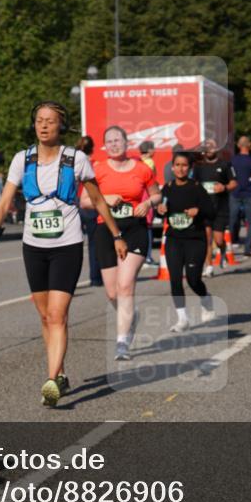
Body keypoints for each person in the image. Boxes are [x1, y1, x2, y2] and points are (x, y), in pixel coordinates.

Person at [0, 102, 124, 406]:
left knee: (58, 315)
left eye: (50, 121)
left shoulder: (77, 159)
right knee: (46, 316)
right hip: (33, 246)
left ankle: (51, 381)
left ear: (62, 125)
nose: (44, 125)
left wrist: (116, 235)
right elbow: (6, 198)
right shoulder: (22, 160)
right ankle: (59, 372)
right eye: (39, 121)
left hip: (67, 246)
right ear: (33, 125)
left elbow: (98, 201)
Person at [81, 126, 160, 360]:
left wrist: (148, 204)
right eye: (110, 141)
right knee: (113, 294)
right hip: (105, 230)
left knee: (126, 286)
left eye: (118, 140)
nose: (114, 144)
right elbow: (84, 201)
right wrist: (104, 199)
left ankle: (122, 343)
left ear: (127, 143)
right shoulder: (97, 170)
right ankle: (130, 316)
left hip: (134, 229)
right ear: (105, 146)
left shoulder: (142, 169)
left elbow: (156, 194)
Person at [156, 150, 216, 332]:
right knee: (175, 279)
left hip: (195, 239)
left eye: (184, 165)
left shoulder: (197, 188)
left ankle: (205, 298)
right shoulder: (167, 188)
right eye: (177, 165)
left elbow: (211, 212)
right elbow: (163, 210)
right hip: (174, 239)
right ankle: (182, 319)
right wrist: (160, 210)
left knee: (193, 279)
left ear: (189, 168)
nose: (180, 169)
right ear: (172, 167)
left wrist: (199, 211)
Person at [193, 139, 237, 277]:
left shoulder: (224, 164)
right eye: (207, 146)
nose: (209, 149)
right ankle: (209, 266)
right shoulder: (199, 167)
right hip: (205, 209)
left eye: (212, 146)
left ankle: (222, 251)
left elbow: (234, 183)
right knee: (206, 238)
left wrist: (224, 187)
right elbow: (194, 185)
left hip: (220, 208)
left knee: (218, 240)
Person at [77, 136, 103, 286]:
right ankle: (95, 278)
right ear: (92, 148)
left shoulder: (72, 163)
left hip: (74, 206)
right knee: (94, 244)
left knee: (71, 245)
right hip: (90, 205)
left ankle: (66, 279)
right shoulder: (95, 165)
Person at [229, 136, 251, 255]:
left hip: (235, 193)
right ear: (249, 145)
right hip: (249, 193)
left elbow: (230, 177)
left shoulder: (232, 160)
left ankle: (231, 243)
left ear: (238, 146)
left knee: (232, 220)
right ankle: (248, 247)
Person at [139, 140, 157, 264]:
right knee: (148, 227)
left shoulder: (136, 161)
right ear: (149, 150)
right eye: (153, 149)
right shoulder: (149, 162)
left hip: (138, 196)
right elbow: (149, 181)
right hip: (147, 196)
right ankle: (147, 256)